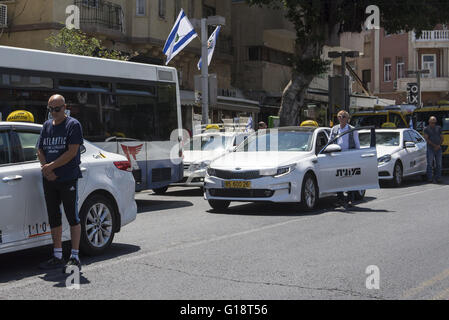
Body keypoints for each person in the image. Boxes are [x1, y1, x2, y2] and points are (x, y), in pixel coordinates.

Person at [37, 94, 84, 271]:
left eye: (57, 109)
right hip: (50, 179)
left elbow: (72, 152)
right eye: (51, 109)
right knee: (54, 217)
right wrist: (45, 168)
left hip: (67, 177)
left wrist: (51, 167)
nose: (54, 113)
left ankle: (75, 256)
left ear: (65, 107)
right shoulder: (46, 126)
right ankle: (57, 255)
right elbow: (40, 149)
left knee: (72, 216)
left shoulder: (73, 125)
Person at [329, 110, 361, 209]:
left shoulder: (352, 129)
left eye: (343, 116)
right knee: (338, 178)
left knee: (349, 177)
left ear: (347, 118)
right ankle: (340, 199)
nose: (341, 118)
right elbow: (330, 141)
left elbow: (357, 143)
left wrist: (358, 155)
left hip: (349, 156)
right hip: (337, 156)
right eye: (339, 116)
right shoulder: (334, 129)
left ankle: (350, 199)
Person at [423, 116, 443, 183]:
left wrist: (438, 145)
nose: (433, 124)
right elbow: (426, 139)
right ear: (429, 122)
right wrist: (434, 146)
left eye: (434, 122)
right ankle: (430, 178)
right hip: (430, 148)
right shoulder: (426, 129)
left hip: (438, 148)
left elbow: (442, 138)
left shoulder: (439, 128)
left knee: (439, 164)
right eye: (432, 122)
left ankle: (438, 178)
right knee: (430, 163)